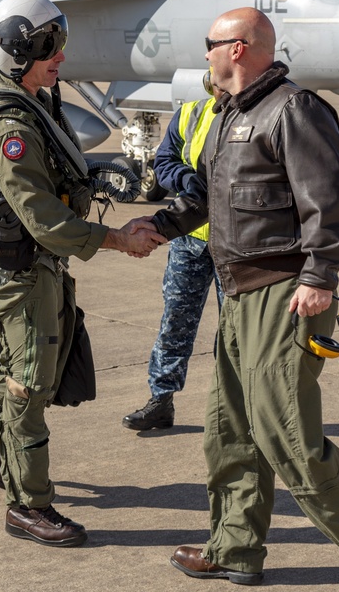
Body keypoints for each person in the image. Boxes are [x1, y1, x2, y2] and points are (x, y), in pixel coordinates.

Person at [136, 7, 339, 591]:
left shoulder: (294, 110)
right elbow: (212, 200)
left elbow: (331, 199)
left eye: (209, 43)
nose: (205, 53)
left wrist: (320, 276)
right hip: (237, 293)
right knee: (228, 430)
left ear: (237, 48)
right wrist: (159, 228)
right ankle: (236, 549)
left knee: (286, 433)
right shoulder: (224, 116)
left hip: (282, 294)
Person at [0, 0, 164, 548]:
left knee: (34, 367)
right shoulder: (9, 126)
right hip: (27, 272)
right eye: (49, 45)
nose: (60, 55)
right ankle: (28, 506)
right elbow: (41, 217)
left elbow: (57, 183)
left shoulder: (35, 102)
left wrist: (98, 181)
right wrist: (114, 239)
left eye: (59, 41)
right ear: (18, 52)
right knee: (29, 385)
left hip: (40, 268)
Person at [122, 71, 224, 431]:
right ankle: (161, 400)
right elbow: (163, 162)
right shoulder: (191, 113)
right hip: (190, 239)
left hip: (235, 245)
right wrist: (184, 178)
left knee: (237, 329)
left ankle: (236, 407)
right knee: (175, 321)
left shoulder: (254, 116)